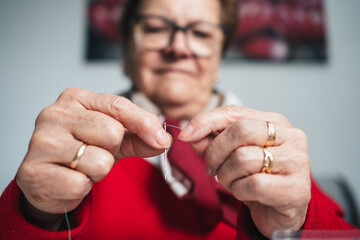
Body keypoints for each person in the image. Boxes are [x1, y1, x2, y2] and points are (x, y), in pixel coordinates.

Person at [0, 0, 356, 239]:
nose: (179, 46)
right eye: (155, 28)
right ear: (127, 50)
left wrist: (294, 226)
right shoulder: (76, 152)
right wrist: (36, 213)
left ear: (219, 56)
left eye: (201, 33)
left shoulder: (271, 148)